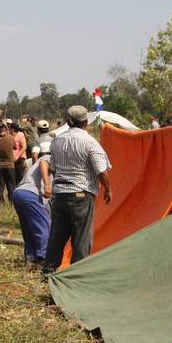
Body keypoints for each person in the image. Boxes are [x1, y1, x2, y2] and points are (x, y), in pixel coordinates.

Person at [42, 106, 112, 275]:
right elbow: (101, 171)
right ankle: (77, 275)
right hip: (81, 195)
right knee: (81, 239)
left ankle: (48, 272)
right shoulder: (90, 142)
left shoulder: (57, 141)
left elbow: (54, 167)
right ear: (86, 122)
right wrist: (108, 189)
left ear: (67, 122)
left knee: (57, 236)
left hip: (60, 195)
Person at [13, 155, 53, 269]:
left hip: (19, 193)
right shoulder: (51, 157)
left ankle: (31, 258)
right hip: (32, 194)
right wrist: (47, 185)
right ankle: (42, 259)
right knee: (43, 227)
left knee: (29, 230)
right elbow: (44, 163)